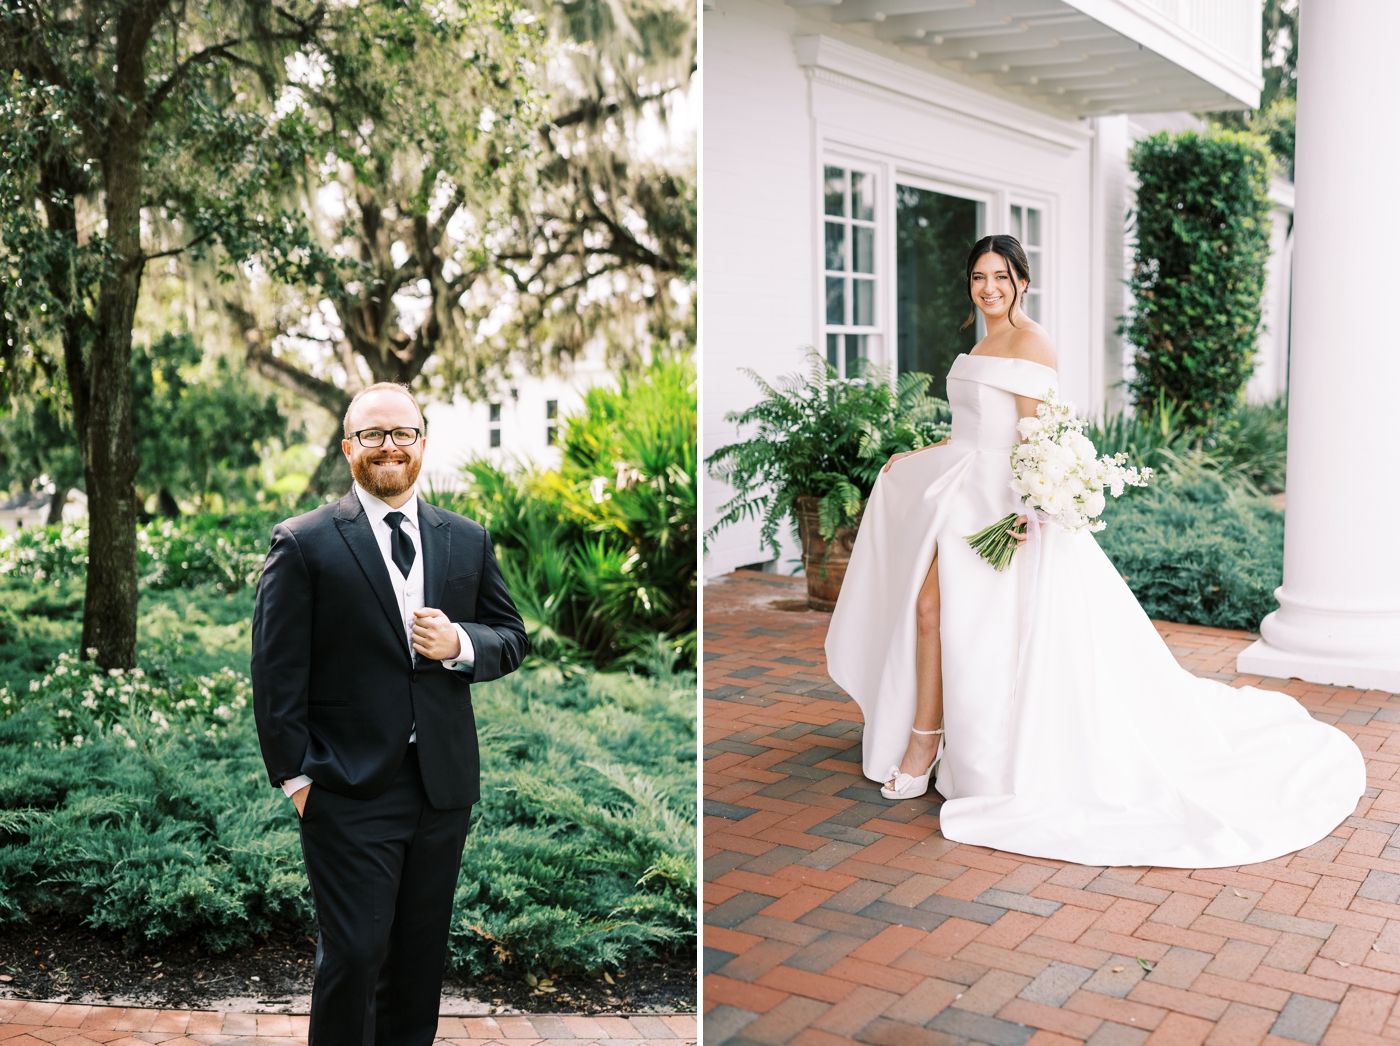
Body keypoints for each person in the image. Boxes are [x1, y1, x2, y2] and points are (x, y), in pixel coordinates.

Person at [825, 235, 1364, 869]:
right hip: (960, 497)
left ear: (1023, 282)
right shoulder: (975, 346)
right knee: (930, 614)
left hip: (1003, 511)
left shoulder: (1032, 342)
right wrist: (911, 458)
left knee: (972, 627)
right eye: (979, 276)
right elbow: (966, 434)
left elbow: (1041, 436)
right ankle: (925, 739)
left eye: (1001, 276)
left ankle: (954, 748)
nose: (989, 287)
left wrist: (1031, 508)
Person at [252, 381, 528, 1043]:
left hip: (441, 787)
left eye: (402, 433)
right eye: (373, 435)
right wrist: (298, 782)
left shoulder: (464, 539)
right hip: (344, 790)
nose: (389, 446)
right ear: (350, 448)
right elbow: (275, 673)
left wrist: (460, 642)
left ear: (422, 445)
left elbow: (512, 636)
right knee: (354, 954)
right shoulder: (305, 543)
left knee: (417, 961)